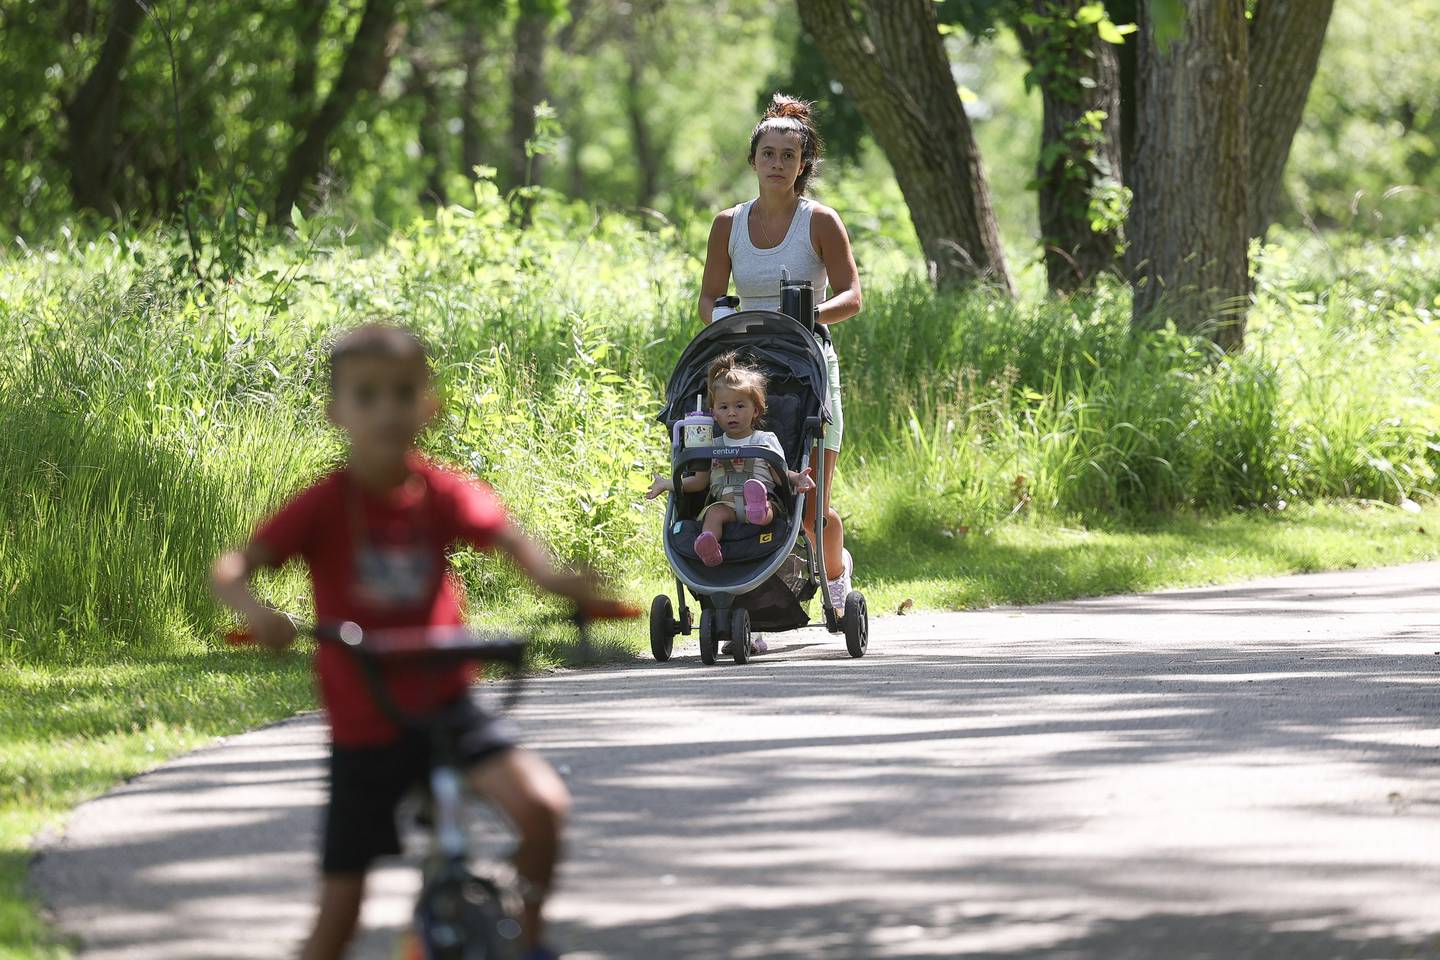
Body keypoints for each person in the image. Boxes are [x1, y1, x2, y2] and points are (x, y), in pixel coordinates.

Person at [211, 324, 607, 960]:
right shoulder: (323, 504)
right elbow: (232, 568)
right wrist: (255, 611)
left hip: (448, 705)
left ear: (429, 404)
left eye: (402, 393)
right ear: (337, 411)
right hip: (367, 721)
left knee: (543, 809)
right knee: (337, 918)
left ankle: (526, 939)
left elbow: (509, 541)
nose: (386, 411)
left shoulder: (442, 492)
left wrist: (560, 580)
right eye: (366, 396)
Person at [696, 92, 862, 611]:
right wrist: (725, 320)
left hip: (809, 363)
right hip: (748, 368)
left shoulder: (820, 221)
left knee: (811, 502)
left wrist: (806, 315)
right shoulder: (728, 224)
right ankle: (756, 598)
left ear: (803, 164)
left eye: (788, 156)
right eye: (768, 154)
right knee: (744, 489)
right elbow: (707, 297)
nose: (777, 164)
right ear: (753, 160)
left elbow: (852, 296)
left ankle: (835, 575)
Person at [646, 351, 815, 567]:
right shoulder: (712, 445)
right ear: (714, 413)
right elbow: (699, 482)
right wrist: (666, 484)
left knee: (768, 511)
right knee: (714, 514)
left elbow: (779, 475)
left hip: (763, 501)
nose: (731, 413)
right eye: (724, 407)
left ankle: (758, 510)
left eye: (740, 406)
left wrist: (796, 478)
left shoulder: (764, 440)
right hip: (726, 505)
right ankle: (709, 545)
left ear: (756, 410)